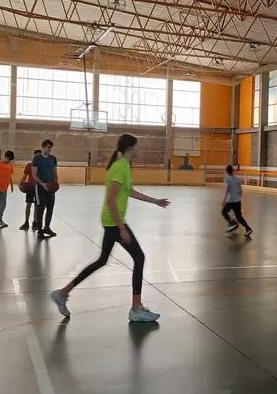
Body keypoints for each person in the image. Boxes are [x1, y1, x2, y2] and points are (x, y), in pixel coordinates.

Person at [50, 134, 170, 322]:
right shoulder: (120, 167)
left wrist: (155, 201)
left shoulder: (124, 166)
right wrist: (122, 228)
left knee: (102, 260)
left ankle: (63, 293)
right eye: (137, 147)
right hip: (114, 222)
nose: (139, 150)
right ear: (130, 148)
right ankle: (136, 308)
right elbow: (111, 199)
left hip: (111, 221)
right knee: (139, 258)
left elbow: (128, 191)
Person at [32, 139, 58, 238]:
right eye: (48, 147)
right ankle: (39, 230)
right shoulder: (37, 159)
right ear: (42, 147)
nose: (49, 149)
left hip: (51, 187)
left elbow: (55, 173)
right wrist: (43, 184)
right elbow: (34, 174)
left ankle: (47, 227)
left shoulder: (53, 159)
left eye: (51, 147)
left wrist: (55, 183)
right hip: (40, 187)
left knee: (50, 208)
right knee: (40, 209)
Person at [221, 165, 252, 237]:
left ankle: (232, 223)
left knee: (224, 212)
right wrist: (238, 198)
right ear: (232, 171)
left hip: (231, 201)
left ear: (227, 171)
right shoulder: (237, 179)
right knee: (239, 217)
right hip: (237, 201)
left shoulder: (227, 178)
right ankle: (248, 228)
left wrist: (224, 199)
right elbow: (241, 191)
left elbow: (227, 190)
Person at [19, 149, 42, 231]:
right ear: (34, 156)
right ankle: (26, 222)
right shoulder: (29, 165)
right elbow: (25, 176)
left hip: (39, 188)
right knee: (28, 204)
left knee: (36, 205)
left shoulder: (42, 166)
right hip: (30, 188)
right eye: (36, 155)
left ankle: (34, 222)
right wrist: (20, 182)